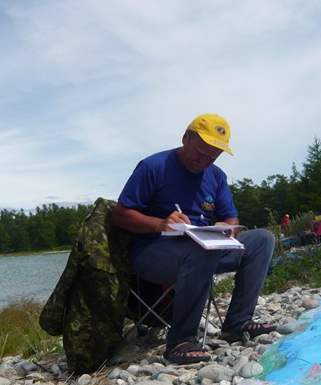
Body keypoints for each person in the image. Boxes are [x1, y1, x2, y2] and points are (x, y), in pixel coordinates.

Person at [113, 113, 276, 365]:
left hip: (203, 252)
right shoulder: (154, 166)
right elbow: (120, 215)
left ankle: (237, 323)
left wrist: (228, 228)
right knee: (200, 249)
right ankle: (180, 340)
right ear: (185, 137)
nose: (204, 161)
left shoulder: (216, 176)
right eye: (200, 153)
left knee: (263, 239)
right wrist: (160, 223)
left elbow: (231, 218)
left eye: (212, 157)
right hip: (152, 253)